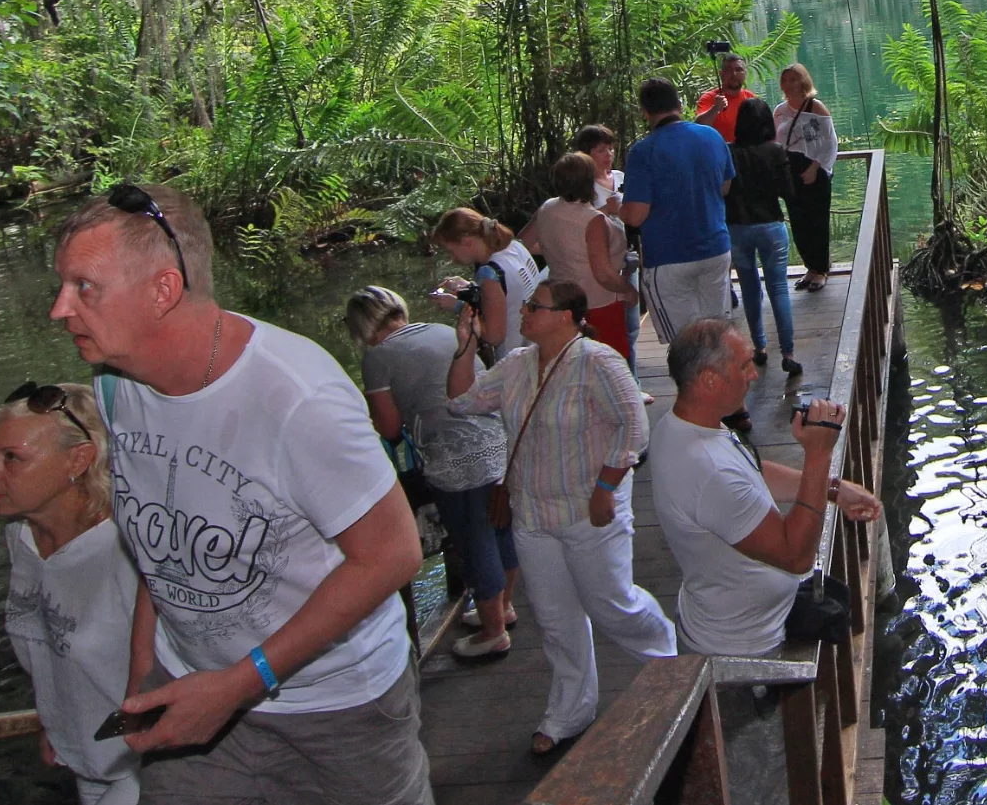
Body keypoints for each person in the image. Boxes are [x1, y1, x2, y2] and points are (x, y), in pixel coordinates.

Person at [49, 184, 428, 804]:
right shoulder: (117, 387)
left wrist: (240, 682)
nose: (59, 309)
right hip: (191, 687)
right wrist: (146, 669)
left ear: (163, 290)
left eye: (83, 287)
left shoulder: (297, 398)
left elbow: (392, 554)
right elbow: (158, 540)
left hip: (336, 708)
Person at [446, 279, 674, 753]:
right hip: (532, 513)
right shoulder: (515, 365)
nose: (524, 312)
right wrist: (465, 347)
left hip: (587, 508)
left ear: (567, 316)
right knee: (554, 618)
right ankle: (568, 710)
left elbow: (635, 427)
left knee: (611, 602)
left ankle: (672, 663)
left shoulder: (598, 361)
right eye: (527, 305)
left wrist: (607, 485)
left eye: (534, 307)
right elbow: (461, 402)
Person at [649, 319, 879, 657]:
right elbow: (795, 556)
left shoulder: (687, 426)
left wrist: (835, 490)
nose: (754, 374)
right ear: (709, 379)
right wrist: (818, 454)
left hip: (733, 618)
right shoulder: (708, 470)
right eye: (743, 366)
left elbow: (753, 473)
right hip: (743, 644)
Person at [0, 381, 140, 805]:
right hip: (81, 762)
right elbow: (50, 644)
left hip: (146, 769)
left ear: (79, 458)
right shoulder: (21, 537)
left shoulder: (129, 550)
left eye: (11, 458)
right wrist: (53, 722)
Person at [346, 286, 518, 660]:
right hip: (499, 442)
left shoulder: (378, 356)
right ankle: (503, 607)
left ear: (360, 326)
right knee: (500, 528)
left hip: (456, 458)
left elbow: (389, 428)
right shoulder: (442, 330)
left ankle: (493, 632)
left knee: (474, 542)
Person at [619, 76, 736, 343]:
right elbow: (725, 187)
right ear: (679, 104)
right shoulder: (712, 136)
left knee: (685, 344)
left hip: (669, 258)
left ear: (645, 112)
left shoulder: (643, 151)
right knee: (718, 336)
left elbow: (635, 215)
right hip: (715, 249)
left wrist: (619, 209)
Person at [528, 154, 638, 370]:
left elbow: (525, 242)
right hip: (599, 303)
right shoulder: (592, 220)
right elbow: (603, 274)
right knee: (607, 367)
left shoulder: (547, 208)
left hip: (561, 298)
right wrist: (629, 290)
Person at [726, 97, 800, 375]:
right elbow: (788, 192)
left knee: (749, 288)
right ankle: (789, 353)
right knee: (778, 288)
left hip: (737, 228)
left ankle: (760, 347)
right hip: (770, 225)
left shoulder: (728, 152)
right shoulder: (775, 150)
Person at [433, 207, 541, 358]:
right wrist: (468, 287)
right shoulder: (515, 246)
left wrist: (458, 306)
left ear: (467, 242)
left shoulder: (490, 275)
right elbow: (509, 295)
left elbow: (494, 336)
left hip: (513, 360)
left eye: (451, 251)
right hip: (535, 345)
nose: (452, 258)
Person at [775, 64, 839, 290]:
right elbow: (775, 141)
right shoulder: (780, 110)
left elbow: (830, 142)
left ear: (803, 81)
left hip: (814, 168)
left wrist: (816, 167)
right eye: (786, 80)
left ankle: (821, 269)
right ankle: (810, 267)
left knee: (817, 220)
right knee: (798, 222)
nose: (790, 84)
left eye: (795, 79)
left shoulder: (816, 107)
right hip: (789, 169)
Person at [695, 50, 758, 144]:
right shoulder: (709, 98)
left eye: (738, 70)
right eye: (728, 70)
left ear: (745, 73)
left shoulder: (751, 97)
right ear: (721, 74)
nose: (734, 74)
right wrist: (715, 108)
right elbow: (698, 127)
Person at [569, 124, 625, 210]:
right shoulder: (582, 186)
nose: (609, 154)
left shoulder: (621, 177)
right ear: (586, 154)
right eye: (601, 150)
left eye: (611, 149)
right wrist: (607, 209)